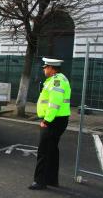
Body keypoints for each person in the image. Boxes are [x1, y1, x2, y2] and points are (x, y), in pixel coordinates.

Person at [29, 57, 71, 190]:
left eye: (45, 67)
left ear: (52, 68)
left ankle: (40, 181)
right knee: (52, 150)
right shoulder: (57, 79)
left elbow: (54, 104)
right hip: (58, 120)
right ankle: (52, 180)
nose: (44, 69)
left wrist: (46, 120)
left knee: (44, 151)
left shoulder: (57, 81)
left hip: (53, 120)